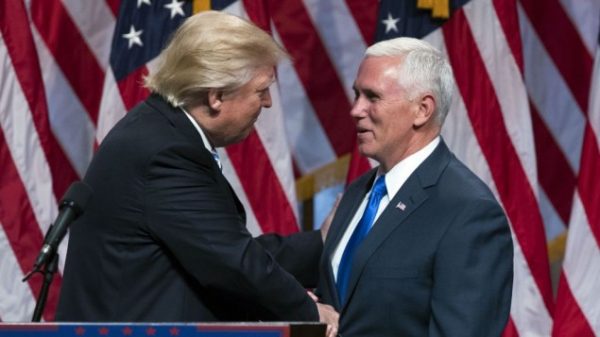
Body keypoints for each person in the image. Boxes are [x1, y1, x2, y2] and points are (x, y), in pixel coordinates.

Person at [56, 11, 338, 335]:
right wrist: (310, 312)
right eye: (260, 90)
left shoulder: (161, 130)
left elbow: (219, 245)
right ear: (216, 96)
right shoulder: (166, 153)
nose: (269, 102)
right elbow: (232, 262)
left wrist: (321, 243)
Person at [315, 37, 513, 336]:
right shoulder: (358, 194)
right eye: (357, 94)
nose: (356, 110)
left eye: (372, 97)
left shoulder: (468, 211)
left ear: (422, 109)